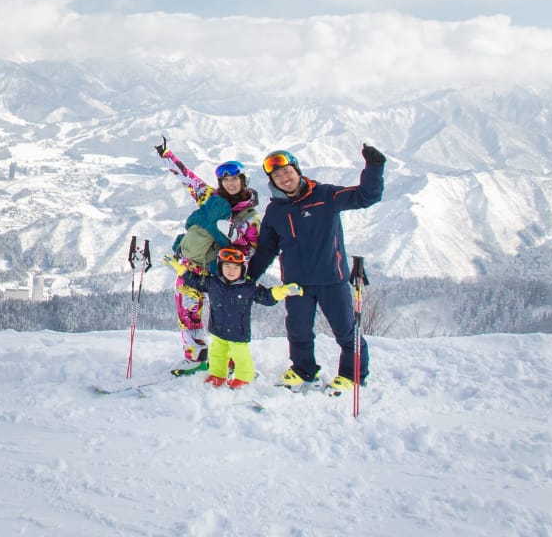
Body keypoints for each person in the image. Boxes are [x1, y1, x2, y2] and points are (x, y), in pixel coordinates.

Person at [246, 145, 386, 393]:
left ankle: (352, 375)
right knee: (298, 331)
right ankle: (303, 370)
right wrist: (247, 279)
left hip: (332, 280)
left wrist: (374, 167)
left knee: (346, 332)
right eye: (277, 176)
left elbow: (366, 196)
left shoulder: (325, 195)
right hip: (296, 285)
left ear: (297, 170)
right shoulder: (275, 210)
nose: (284, 179)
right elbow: (267, 249)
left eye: (287, 172)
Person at [155, 139, 264, 364]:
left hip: (222, 274)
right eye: (226, 179)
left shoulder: (250, 217)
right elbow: (189, 180)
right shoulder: (211, 199)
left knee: (226, 319)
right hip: (192, 266)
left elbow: (250, 251)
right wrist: (168, 157)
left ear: (244, 181)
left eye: (235, 179)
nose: (231, 183)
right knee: (187, 313)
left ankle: (231, 361)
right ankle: (195, 356)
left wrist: (235, 238)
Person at [164, 247, 302, 387]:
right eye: (227, 266)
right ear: (220, 266)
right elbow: (194, 281)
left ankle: (244, 378)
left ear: (242, 269)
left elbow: (266, 296)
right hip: (217, 330)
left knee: (241, 357)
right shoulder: (213, 283)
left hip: (238, 333)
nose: (231, 270)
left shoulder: (248, 287)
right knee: (217, 354)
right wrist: (178, 268)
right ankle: (217, 375)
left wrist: (283, 291)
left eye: (235, 267)